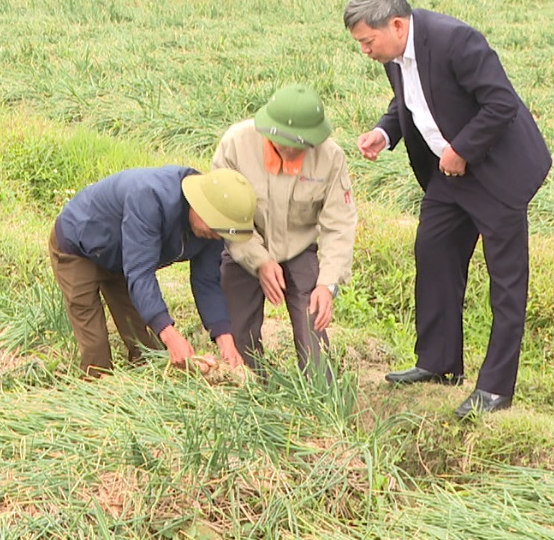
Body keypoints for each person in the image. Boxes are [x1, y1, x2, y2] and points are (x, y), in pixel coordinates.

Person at [345, 0, 552, 418]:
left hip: (497, 172)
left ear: (397, 25)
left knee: (506, 281)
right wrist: (385, 132)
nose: (365, 51)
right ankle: (439, 364)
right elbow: (412, 100)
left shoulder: (455, 40)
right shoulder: (395, 55)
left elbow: (500, 103)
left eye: (368, 41)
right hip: (449, 175)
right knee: (434, 252)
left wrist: (462, 149)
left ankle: (495, 389)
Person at [49, 166, 258, 375]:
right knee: (96, 350)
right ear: (199, 205)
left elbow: (207, 282)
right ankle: (97, 396)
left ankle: (140, 396)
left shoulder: (213, 230)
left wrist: (225, 339)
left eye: (221, 233)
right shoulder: (150, 197)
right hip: (79, 248)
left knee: (147, 346)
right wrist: (171, 335)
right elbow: (141, 272)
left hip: (124, 259)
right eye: (214, 229)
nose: (215, 236)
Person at [212, 84, 357, 379]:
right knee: (239, 330)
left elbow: (339, 225)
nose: (293, 151)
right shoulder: (235, 144)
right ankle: (250, 392)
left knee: (313, 319)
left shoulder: (331, 158)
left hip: (299, 248)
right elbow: (224, 212)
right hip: (245, 244)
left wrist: (327, 284)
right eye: (286, 144)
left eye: (302, 145)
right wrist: (259, 261)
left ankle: (320, 398)